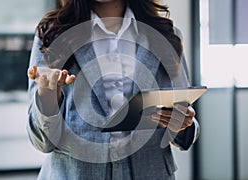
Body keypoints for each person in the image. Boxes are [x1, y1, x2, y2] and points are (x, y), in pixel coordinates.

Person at [27, 0, 200, 179]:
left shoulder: (165, 35)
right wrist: (47, 98)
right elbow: (42, 142)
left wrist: (182, 124)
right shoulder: (52, 33)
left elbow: (183, 117)